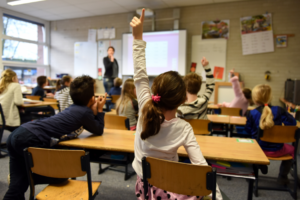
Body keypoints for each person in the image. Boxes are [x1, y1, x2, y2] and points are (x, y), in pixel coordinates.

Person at [130, 9, 222, 200]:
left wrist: (138, 38)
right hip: (171, 188)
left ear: (155, 91)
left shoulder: (144, 110)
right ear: (181, 101)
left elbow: (139, 74)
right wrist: (217, 197)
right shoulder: (184, 128)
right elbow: (201, 166)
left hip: (145, 189)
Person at [3, 75, 107, 200]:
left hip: (18, 133)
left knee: (15, 189)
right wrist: (100, 110)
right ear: (91, 99)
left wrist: (93, 111)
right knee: (61, 176)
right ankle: (25, 176)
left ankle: (21, 177)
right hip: (31, 138)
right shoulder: (85, 112)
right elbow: (99, 130)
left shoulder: (72, 109)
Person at [245, 84, 296, 185]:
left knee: (250, 145)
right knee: (292, 150)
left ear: (255, 99)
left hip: (258, 150)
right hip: (278, 149)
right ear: (270, 97)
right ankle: (283, 176)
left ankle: (256, 166)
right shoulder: (279, 110)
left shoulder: (252, 113)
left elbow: (248, 130)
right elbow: (292, 123)